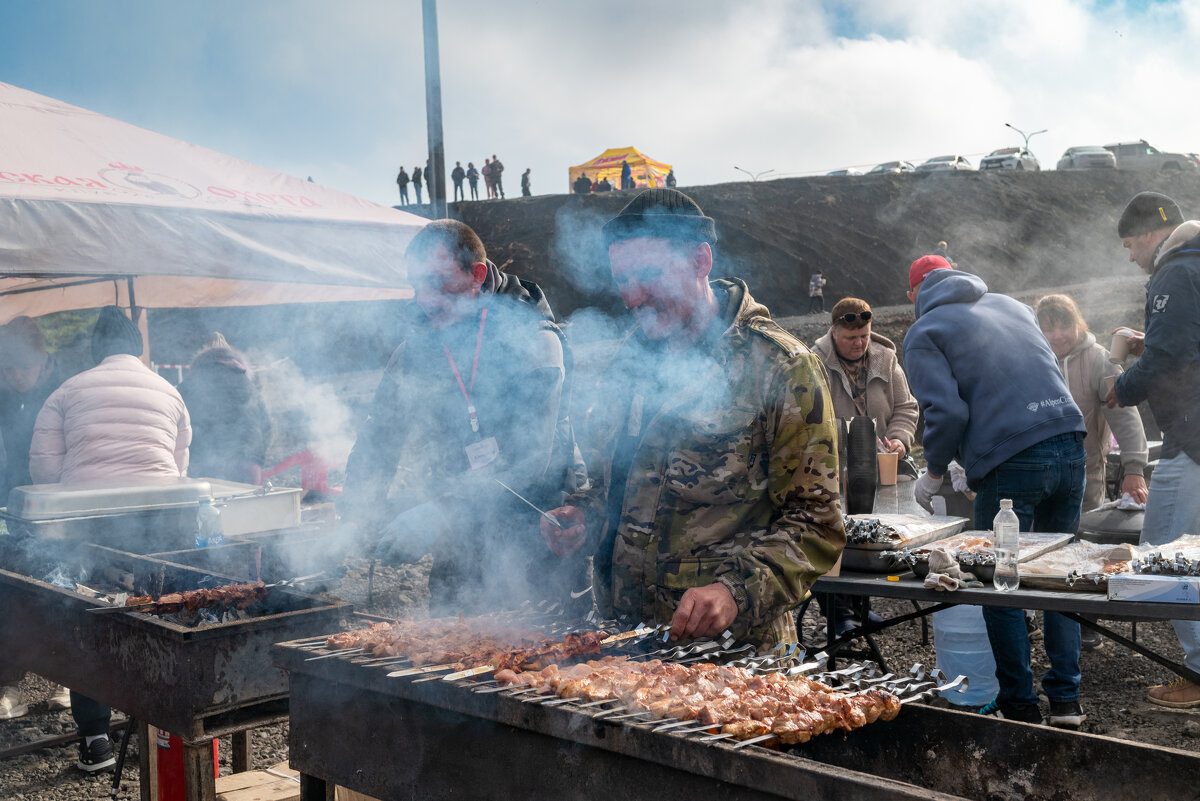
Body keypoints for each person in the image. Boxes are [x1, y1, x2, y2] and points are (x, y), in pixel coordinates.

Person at [543, 189, 844, 650]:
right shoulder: (625, 364)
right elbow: (614, 490)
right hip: (624, 648)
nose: (632, 296)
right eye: (621, 279)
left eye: (647, 275)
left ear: (701, 261)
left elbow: (816, 523)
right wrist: (584, 518)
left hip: (733, 659)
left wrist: (734, 591)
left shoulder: (780, 368)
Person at [341, 220, 587, 615]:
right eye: (416, 285)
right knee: (448, 645)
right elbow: (379, 436)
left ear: (477, 276)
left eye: (438, 283)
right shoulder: (415, 349)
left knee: (539, 663)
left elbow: (531, 459)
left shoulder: (535, 339)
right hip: (459, 538)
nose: (424, 299)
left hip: (537, 533)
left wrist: (440, 512)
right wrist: (353, 516)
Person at [903, 254, 1087, 728]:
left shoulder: (924, 332)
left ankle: (1021, 710)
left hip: (1013, 463)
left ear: (913, 295)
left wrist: (937, 470)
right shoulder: (1011, 305)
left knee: (999, 582)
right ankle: (1067, 703)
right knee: (1060, 573)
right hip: (1070, 440)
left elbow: (946, 413)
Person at [30, 306, 191, 772]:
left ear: (95, 350)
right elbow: (180, 468)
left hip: (93, 525)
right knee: (160, 617)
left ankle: (97, 740)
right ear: (137, 349)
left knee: (93, 623)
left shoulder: (67, 390)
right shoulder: (170, 391)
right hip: (160, 523)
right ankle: (163, 731)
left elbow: (43, 473)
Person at [1105, 191, 1200, 708]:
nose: (1130, 256)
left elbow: (1171, 357)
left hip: (1192, 439)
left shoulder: (1175, 272)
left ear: (1147, 234)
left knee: (1165, 556)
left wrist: (1125, 383)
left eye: (1129, 244)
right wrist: (1152, 343)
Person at [811, 297, 918, 633]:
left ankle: (860, 607)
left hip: (877, 469)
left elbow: (906, 407)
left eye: (864, 337)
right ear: (834, 332)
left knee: (869, 536)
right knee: (827, 536)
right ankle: (838, 611)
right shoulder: (814, 363)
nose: (858, 344)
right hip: (831, 469)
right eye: (850, 338)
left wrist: (900, 439)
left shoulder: (886, 361)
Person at [0, 316, 71, 722]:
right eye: (8, 368)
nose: (17, 376)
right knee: (12, 591)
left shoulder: (63, 391)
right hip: (12, 507)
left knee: (60, 588)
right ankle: (11, 682)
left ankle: (68, 678)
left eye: (24, 367)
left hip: (57, 508)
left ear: (43, 361)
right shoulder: (2, 392)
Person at [1035, 294, 1148, 511]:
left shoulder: (1098, 360)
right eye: (1049, 329)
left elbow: (1124, 416)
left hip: (1087, 475)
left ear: (1078, 324)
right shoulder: (1032, 361)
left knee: (1082, 542)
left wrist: (1134, 469)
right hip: (1037, 477)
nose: (1058, 336)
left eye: (1065, 326)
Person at [177, 333, 272, 485]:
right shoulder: (250, 387)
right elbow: (267, 427)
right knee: (248, 508)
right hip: (245, 466)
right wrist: (256, 458)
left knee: (206, 508)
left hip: (203, 468)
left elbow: (176, 425)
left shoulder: (188, 385)